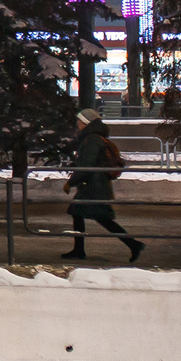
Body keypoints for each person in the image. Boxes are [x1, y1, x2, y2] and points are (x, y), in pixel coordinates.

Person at [63, 110, 143, 263]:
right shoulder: (94, 138)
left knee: (102, 219)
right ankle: (79, 249)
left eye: (80, 122)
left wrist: (70, 182)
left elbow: (87, 165)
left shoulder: (92, 140)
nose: (78, 125)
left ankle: (133, 244)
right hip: (95, 185)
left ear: (87, 123)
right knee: (79, 213)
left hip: (93, 187)